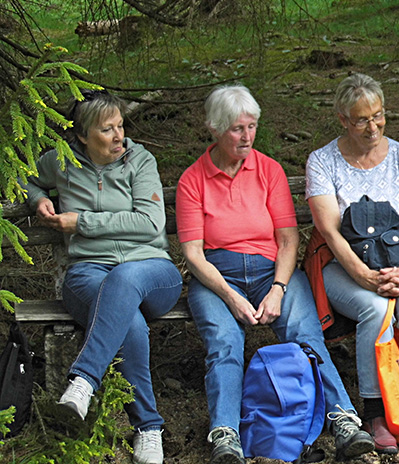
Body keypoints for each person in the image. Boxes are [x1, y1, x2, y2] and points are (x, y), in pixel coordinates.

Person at [176, 85, 374, 464]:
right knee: (224, 343)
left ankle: (344, 421)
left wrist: (279, 289)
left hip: (272, 271)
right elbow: (193, 255)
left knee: (305, 334)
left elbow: (287, 241)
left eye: (252, 127)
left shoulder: (268, 170)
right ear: (215, 129)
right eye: (237, 128)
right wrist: (231, 296)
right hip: (217, 277)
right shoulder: (193, 180)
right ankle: (226, 435)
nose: (247, 136)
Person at [20, 90, 182, 464]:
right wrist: (36, 199)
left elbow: (149, 223)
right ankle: (149, 429)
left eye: (120, 126)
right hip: (87, 273)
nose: (118, 136)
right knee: (131, 324)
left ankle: (83, 382)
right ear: (82, 136)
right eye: (106, 129)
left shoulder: (139, 160)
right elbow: (28, 176)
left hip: (152, 271)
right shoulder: (60, 162)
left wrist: (82, 222)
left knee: (125, 279)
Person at [305, 73, 399, 455]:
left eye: (378, 116)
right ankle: (375, 412)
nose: (372, 127)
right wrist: (365, 277)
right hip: (344, 266)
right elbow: (331, 234)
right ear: (342, 119)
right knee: (374, 308)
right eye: (361, 120)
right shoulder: (322, 162)